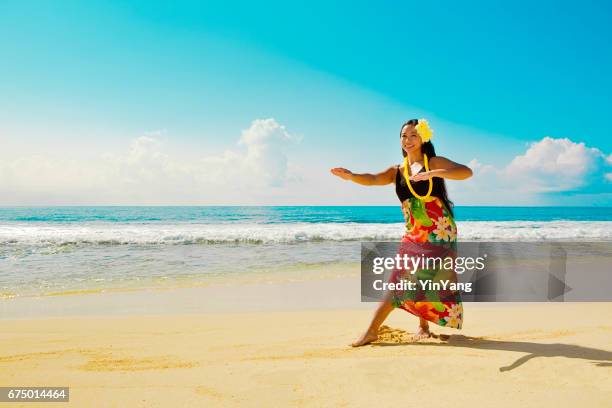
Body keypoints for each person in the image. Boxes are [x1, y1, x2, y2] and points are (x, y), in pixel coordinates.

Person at [330, 118, 473, 346]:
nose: (408, 140)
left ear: (423, 138)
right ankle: (420, 325)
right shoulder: (397, 171)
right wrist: (351, 176)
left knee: (409, 281)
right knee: (408, 279)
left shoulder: (433, 161)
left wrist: (434, 173)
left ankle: (372, 330)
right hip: (414, 232)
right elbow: (373, 179)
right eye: (404, 136)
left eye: (413, 135)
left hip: (438, 231)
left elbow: (466, 172)